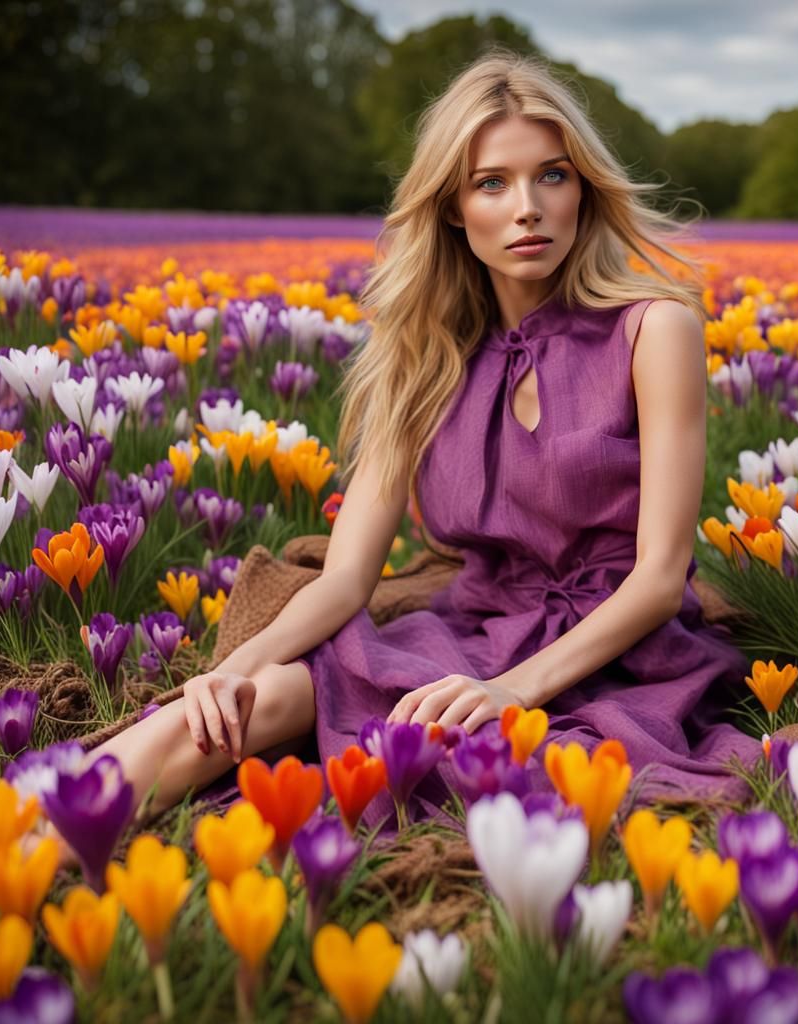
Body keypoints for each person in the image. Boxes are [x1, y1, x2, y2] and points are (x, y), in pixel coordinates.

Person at [78, 49, 762, 827]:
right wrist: (228, 670)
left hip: (619, 655)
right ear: (451, 207)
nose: (528, 207)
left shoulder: (654, 330)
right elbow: (344, 582)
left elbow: (660, 576)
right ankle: (35, 845)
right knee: (242, 706)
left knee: (460, 738)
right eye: (492, 183)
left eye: (553, 175)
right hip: (475, 629)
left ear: (584, 189)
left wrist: (512, 692)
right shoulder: (423, 358)